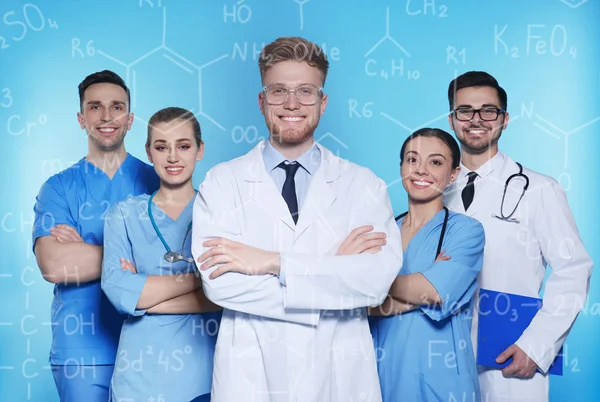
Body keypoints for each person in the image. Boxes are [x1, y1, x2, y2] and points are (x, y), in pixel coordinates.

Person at [191, 36, 402, 402]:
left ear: (323, 102)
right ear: (261, 101)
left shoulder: (363, 184)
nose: (292, 104)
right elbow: (219, 285)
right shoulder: (223, 182)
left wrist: (273, 263)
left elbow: (374, 284)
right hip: (252, 376)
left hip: (341, 376)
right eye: (278, 91)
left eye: (306, 91)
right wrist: (334, 269)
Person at [443, 71, 593, 402]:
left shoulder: (540, 189)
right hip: (441, 355)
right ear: (452, 120)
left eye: (488, 110)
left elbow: (573, 269)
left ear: (505, 119)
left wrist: (537, 346)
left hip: (511, 356)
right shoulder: (435, 189)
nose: (476, 119)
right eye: (465, 111)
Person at [32, 70, 159, 401]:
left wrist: (87, 251)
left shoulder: (158, 181)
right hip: (82, 354)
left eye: (117, 107)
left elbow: (180, 258)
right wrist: (138, 255)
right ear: (81, 118)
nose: (106, 116)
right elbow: (55, 265)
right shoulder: (58, 188)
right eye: (95, 107)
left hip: (152, 345)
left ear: (130, 119)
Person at [101, 107, 221, 401]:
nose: (172, 157)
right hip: (138, 379)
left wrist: (143, 297)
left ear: (200, 149)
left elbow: (228, 292)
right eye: (161, 147)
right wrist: (200, 278)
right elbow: (117, 290)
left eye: (183, 146)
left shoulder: (220, 212)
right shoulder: (124, 215)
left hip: (204, 377)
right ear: (148, 152)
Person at [369, 128, 485, 402]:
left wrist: (370, 282)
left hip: (442, 379)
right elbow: (359, 305)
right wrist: (425, 285)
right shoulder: (381, 233)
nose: (421, 170)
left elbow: (434, 292)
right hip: (380, 372)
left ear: (454, 174)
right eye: (412, 160)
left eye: (435, 162)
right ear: (401, 168)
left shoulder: (466, 231)